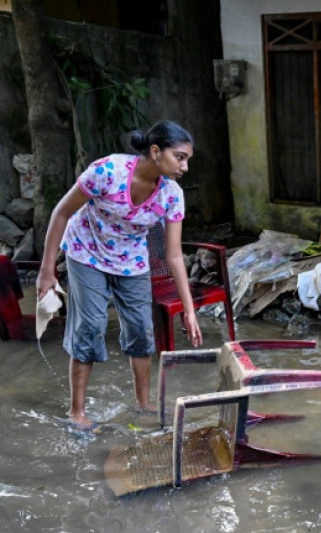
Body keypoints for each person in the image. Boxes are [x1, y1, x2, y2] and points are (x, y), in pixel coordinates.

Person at [36, 120, 203, 430]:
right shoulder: (107, 172)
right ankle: (77, 412)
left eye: (187, 159)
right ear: (156, 152)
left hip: (131, 261)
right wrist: (46, 272)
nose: (185, 166)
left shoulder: (171, 194)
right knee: (91, 325)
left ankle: (143, 405)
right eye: (180, 157)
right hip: (86, 252)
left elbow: (175, 255)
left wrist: (189, 311)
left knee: (141, 328)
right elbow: (61, 212)